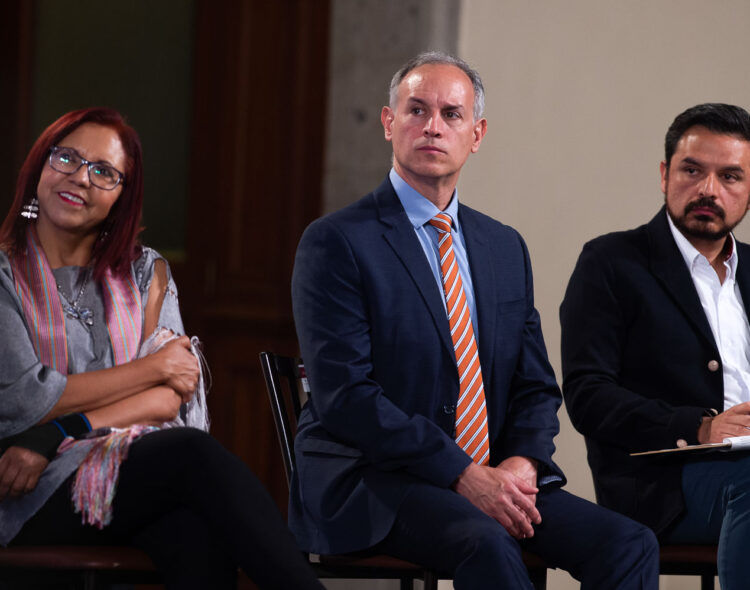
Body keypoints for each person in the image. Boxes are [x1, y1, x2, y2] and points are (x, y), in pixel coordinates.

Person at [291, 51, 658, 589]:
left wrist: (522, 465)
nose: (432, 126)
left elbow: (535, 387)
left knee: (628, 544)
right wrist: (461, 474)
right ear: (390, 123)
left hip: (491, 477)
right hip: (373, 479)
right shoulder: (336, 242)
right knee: (485, 543)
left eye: (451, 114)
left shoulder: (503, 247)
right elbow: (346, 396)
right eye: (416, 110)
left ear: (477, 134)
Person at [0, 107, 324, 590]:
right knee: (191, 454)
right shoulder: (4, 273)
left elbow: (168, 399)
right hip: (27, 487)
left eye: (103, 172)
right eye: (66, 158)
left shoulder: (144, 274)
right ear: (41, 165)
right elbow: (25, 397)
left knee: (195, 537)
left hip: (115, 474)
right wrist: (151, 367)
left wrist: (61, 429)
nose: (80, 178)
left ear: (122, 197)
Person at [560, 103, 750, 589]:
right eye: (693, 170)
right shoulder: (612, 262)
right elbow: (588, 396)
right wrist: (702, 427)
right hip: (662, 483)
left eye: (731, 176)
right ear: (665, 174)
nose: (709, 189)